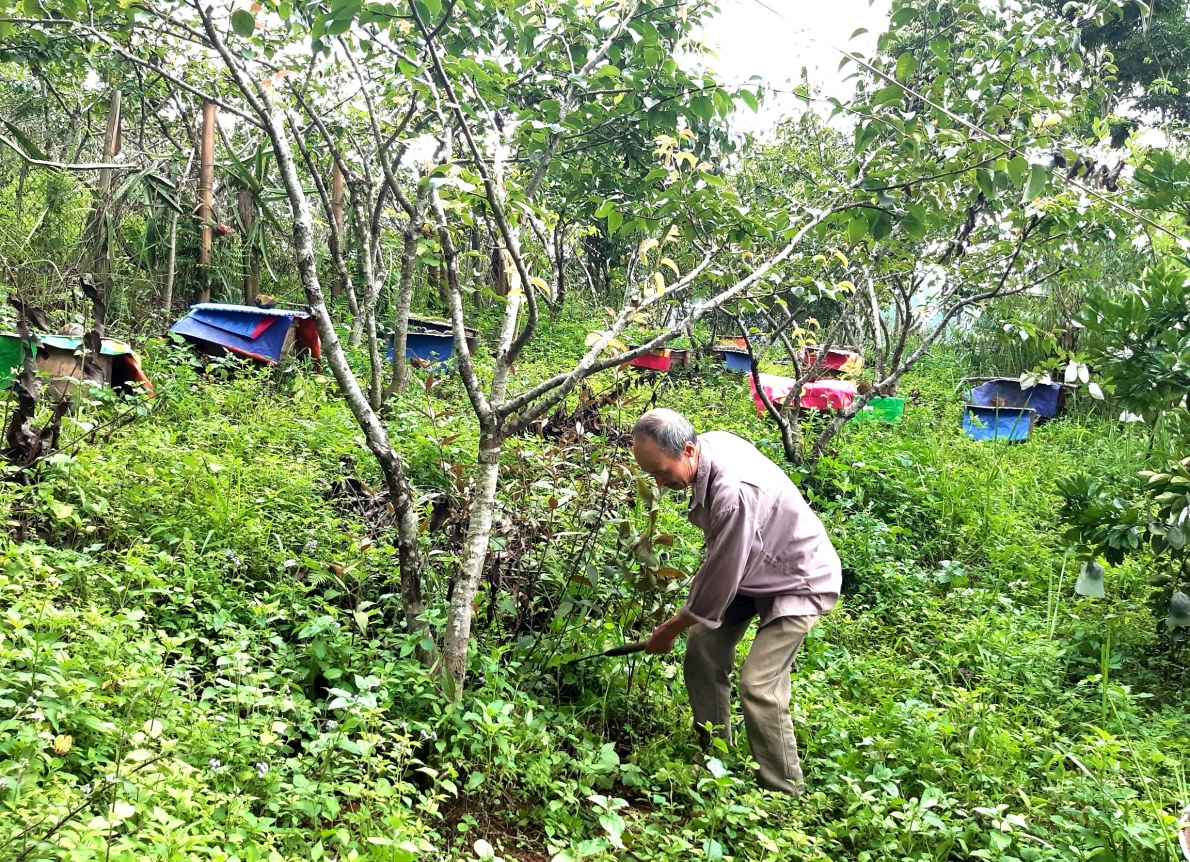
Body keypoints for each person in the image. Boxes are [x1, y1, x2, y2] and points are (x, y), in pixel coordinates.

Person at [631, 408, 841, 795]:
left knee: (759, 684)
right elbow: (724, 565)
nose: (659, 482)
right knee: (703, 647)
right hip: (755, 567)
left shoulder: (733, 493)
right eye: (651, 475)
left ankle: (783, 790)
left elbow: (721, 575)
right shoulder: (709, 448)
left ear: (688, 450)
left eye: (661, 471)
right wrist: (689, 625)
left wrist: (671, 627)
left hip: (798, 578)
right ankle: (715, 754)